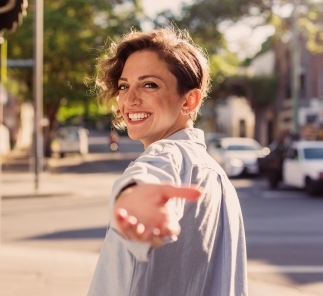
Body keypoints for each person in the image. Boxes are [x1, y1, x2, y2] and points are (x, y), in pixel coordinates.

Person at [88, 27, 247, 296]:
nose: (129, 99)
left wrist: (133, 197)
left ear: (190, 100)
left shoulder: (170, 155)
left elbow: (150, 174)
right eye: (124, 86)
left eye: (150, 84)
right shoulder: (216, 176)